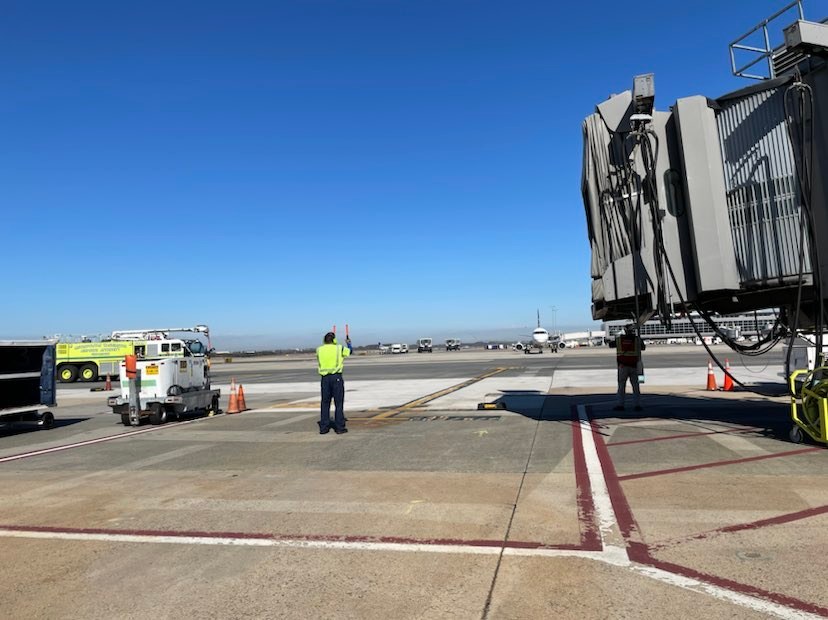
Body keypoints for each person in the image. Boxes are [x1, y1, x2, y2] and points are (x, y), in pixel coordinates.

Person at [316, 331, 353, 434]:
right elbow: (350, 351)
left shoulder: (319, 349)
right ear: (334, 340)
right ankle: (340, 428)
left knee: (325, 403)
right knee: (339, 403)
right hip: (336, 377)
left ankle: (324, 428)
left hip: (324, 379)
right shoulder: (339, 348)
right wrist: (349, 343)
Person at [609, 324, 645, 411]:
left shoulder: (619, 340)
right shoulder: (637, 340)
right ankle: (637, 405)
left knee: (621, 386)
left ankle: (621, 405)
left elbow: (611, 345)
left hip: (623, 366)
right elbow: (643, 348)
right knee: (636, 386)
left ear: (625, 330)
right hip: (635, 366)